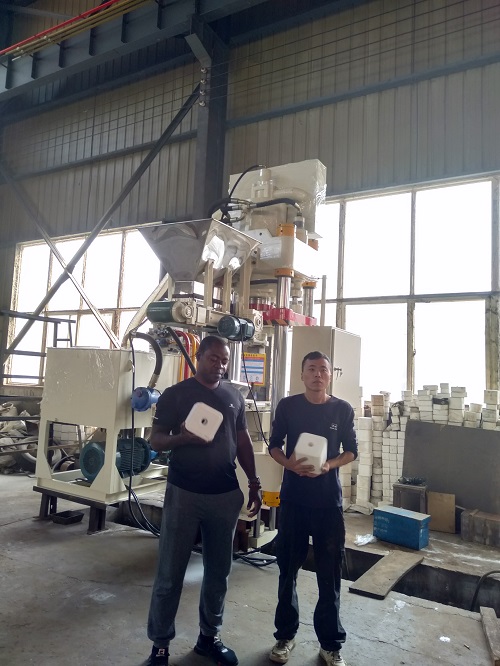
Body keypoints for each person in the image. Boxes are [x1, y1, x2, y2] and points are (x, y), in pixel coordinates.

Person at [146, 335, 262, 666]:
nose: (220, 365)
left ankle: (209, 637)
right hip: (184, 493)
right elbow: (156, 440)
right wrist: (183, 437)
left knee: (218, 572)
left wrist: (254, 482)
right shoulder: (176, 394)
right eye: (214, 358)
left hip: (224, 495)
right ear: (199, 357)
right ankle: (160, 645)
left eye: (225, 360)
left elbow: (242, 441)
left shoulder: (233, 396)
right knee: (170, 572)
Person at [267, 351, 357, 666]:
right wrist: (289, 464)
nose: (318, 374)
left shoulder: (342, 409)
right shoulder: (288, 406)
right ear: (302, 374)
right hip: (294, 500)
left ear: (330, 375)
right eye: (311, 369)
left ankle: (330, 645)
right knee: (287, 571)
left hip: (327, 503)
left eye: (323, 370)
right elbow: (274, 445)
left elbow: (351, 451)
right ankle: (285, 636)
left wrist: (329, 464)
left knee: (329, 574)